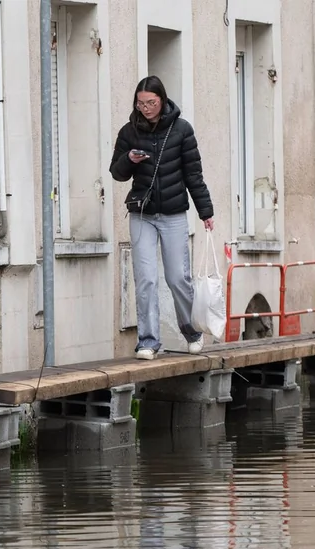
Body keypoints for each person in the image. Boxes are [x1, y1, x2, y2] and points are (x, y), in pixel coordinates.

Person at [110, 75, 215, 361]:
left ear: (163, 100)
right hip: (141, 213)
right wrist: (128, 160)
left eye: (151, 103)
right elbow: (116, 173)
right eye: (141, 103)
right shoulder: (129, 131)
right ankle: (148, 341)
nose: (146, 108)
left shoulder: (182, 130)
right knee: (145, 279)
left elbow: (193, 174)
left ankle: (193, 332)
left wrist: (206, 211)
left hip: (172, 214)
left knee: (177, 277)